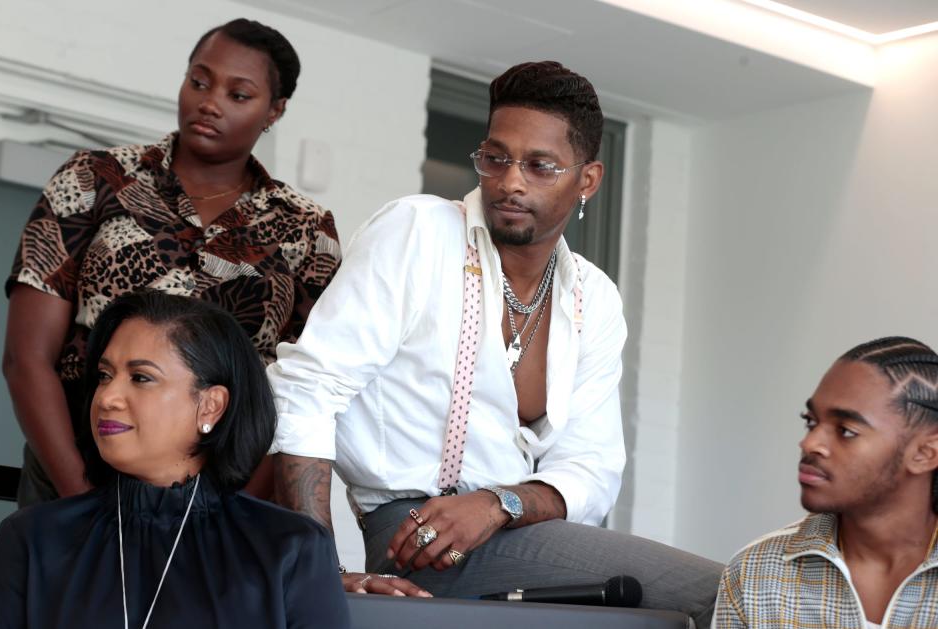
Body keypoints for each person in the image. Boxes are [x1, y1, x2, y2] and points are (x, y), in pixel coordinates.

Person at [267, 61, 722, 627]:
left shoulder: (592, 299)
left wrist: (497, 505)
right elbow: (308, 388)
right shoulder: (419, 233)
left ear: (588, 180)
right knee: (726, 594)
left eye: (539, 166)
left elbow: (591, 469)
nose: (510, 181)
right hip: (415, 535)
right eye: (496, 157)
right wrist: (319, 570)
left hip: (514, 531)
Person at [2, 18, 340, 507]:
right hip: (78, 467)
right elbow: (26, 358)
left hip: (223, 487)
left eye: (238, 94)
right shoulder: (95, 178)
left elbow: (307, 389)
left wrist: (230, 510)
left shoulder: (305, 228)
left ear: (275, 110)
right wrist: (81, 497)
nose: (209, 102)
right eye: (199, 82)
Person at [0, 291, 350, 628]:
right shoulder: (32, 538)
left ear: (211, 405)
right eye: (105, 375)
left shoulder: (290, 547)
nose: (107, 397)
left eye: (140, 378)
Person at [713, 337, 938, 628]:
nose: (809, 443)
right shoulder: (754, 572)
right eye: (811, 421)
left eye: (846, 431)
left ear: (925, 453)